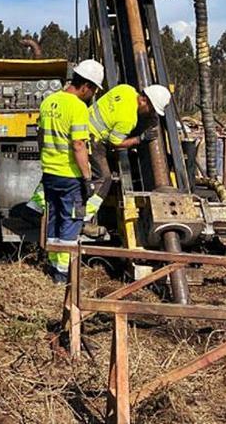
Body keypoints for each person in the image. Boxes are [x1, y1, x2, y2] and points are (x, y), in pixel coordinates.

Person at [38, 60, 102, 284]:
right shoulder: (77, 107)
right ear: (85, 85)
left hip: (49, 173)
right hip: (70, 176)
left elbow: (40, 137)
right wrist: (87, 178)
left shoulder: (48, 101)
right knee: (71, 221)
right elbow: (78, 145)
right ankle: (63, 274)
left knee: (54, 220)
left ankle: (53, 265)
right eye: (93, 90)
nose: (92, 94)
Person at [84, 83, 172, 223]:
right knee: (104, 178)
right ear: (144, 100)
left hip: (82, 125)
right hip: (91, 139)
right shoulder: (128, 119)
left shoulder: (126, 89)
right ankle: (85, 217)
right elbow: (115, 143)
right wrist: (139, 139)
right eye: (151, 109)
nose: (150, 113)